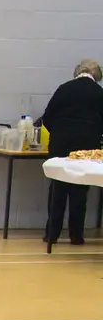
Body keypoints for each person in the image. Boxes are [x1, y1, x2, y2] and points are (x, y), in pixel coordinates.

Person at [40, 59, 103, 250]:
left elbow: (47, 117)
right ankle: (76, 235)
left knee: (58, 188)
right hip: (86, 145)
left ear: (77, 72)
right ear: (97, 75)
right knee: (80, 189)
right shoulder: (99, 93)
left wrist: (59, 133)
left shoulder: (63, 88)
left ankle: (52, 234)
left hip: (60, 142)